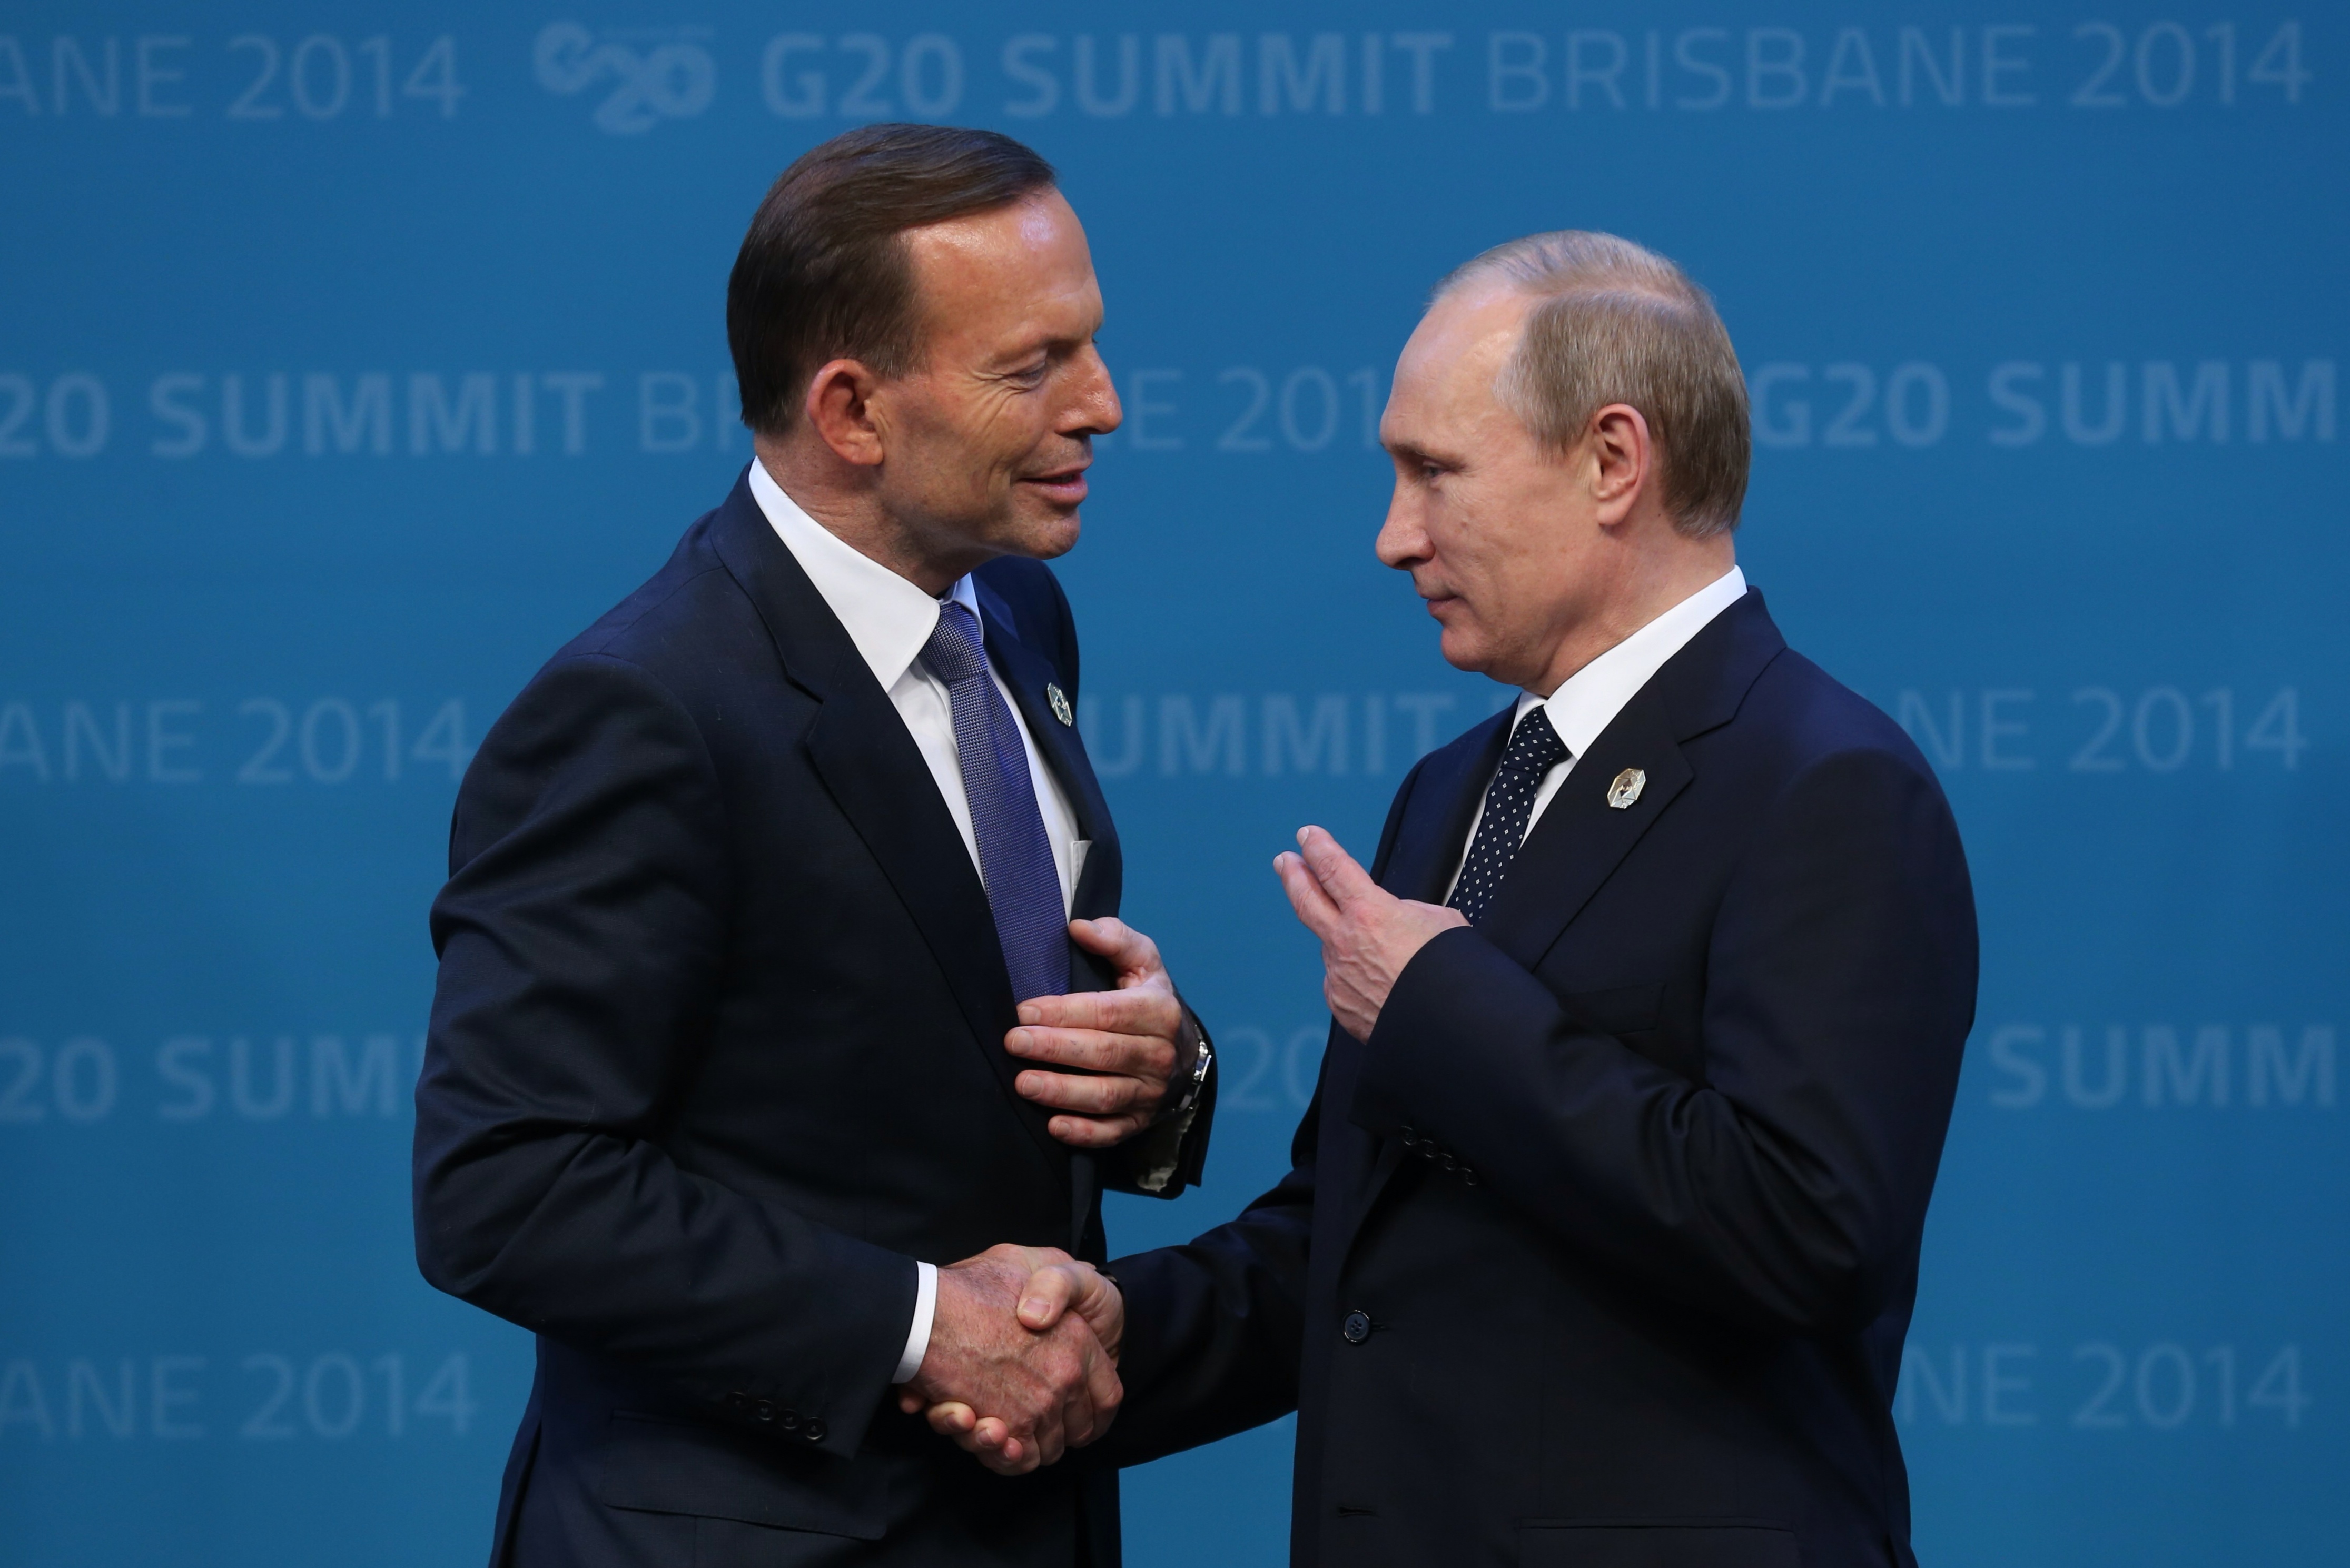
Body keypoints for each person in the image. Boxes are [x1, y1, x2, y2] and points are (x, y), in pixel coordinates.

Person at [941, 231, 1978, 1567]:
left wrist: (1441, 1001)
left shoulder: (1826, 783)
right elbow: (1350, 1240)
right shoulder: (1456, 785)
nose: (1391, 537)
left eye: (1433, 472)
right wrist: (1073, 1344)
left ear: (1614, 461)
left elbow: (1801, 1231)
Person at [412, 123, 1215, 1568]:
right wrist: (918, 1329)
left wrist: (1155, 1079)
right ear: (851, 411)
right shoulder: (644, 709)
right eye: (1032, 367)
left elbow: (951, 1043)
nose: (1103, 404)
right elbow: (506, 1184)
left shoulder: (1014, 619)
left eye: (1087, 347)